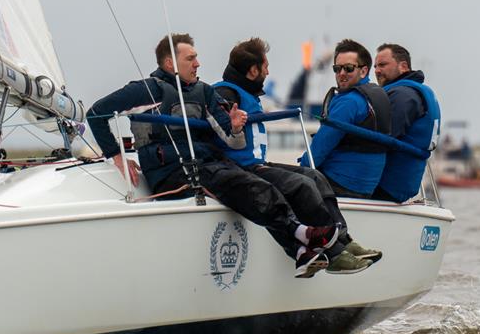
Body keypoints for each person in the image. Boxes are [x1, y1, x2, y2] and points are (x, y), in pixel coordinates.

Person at [87, 33, 348, 278]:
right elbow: (96, 113)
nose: (198, 63)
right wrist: (116, 156)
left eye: (196, 57)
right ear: (170, 63)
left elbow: (230, 140)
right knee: (247, 185)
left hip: (206, 165)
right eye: (190, 59)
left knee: (261, 184)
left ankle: (302, 250)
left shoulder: (203, 92)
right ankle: (301, 235)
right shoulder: (145, 90)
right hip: (172, 173)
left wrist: (234, 126)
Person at [212, 37, 380, 271]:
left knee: (314, 176)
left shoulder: (247, 92)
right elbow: (216, 130)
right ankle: (334, 254)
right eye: (266, 66)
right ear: (253, 70)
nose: (269, 71)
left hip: (258, 164)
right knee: (301, 186)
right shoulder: (226, 93)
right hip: (242, 169)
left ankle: (343, 239)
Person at [299, 39, 391, 198]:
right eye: (337, 69)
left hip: (340, 184)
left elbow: (318, 152)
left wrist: (303, 165)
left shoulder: (349, 102)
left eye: (348, 69)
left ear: (363, 71)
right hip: (367, 186)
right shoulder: (378, 94)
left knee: (275, 177)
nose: (341, 74)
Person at [373, 43, 441, 202]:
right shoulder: (415, 91)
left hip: (387, 185)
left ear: (403, 66)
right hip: (404, 183)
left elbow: (383, 137)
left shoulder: (403, 95)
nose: (376, 70)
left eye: (382, 65)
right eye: (375, 66)